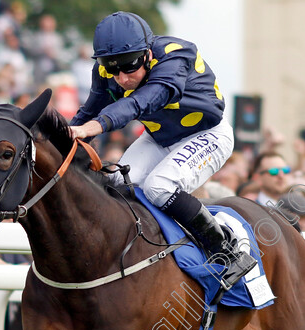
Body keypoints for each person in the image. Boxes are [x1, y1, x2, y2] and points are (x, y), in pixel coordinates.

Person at [68, 11, 256, 287]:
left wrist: (94, 127)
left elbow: (141, 102)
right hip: (160, 137)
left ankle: (227, 251)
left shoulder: (176, 54)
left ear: (146, 54)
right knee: (118, 183)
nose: (121, 77)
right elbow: (89, 112)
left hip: (208, 134)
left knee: (160, 186)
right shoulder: (107, 71)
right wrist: (61, 138)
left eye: (129, 66)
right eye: (111, 67)